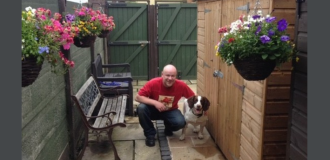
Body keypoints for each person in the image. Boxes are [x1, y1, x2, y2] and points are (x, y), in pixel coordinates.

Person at [135, 64, 195, 147]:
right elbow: (138, 97)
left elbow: (194, 98)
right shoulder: (153, 83)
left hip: (170, 111)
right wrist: (156, 103)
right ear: (162, 74)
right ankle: (150, 135)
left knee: (181, 123)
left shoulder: (181, 85)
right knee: (141, 108)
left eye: (173, 76)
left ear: (176, 76)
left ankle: (168, 127)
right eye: (167, 75)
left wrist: (202, 110)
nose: (170, 78)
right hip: (153, 110)